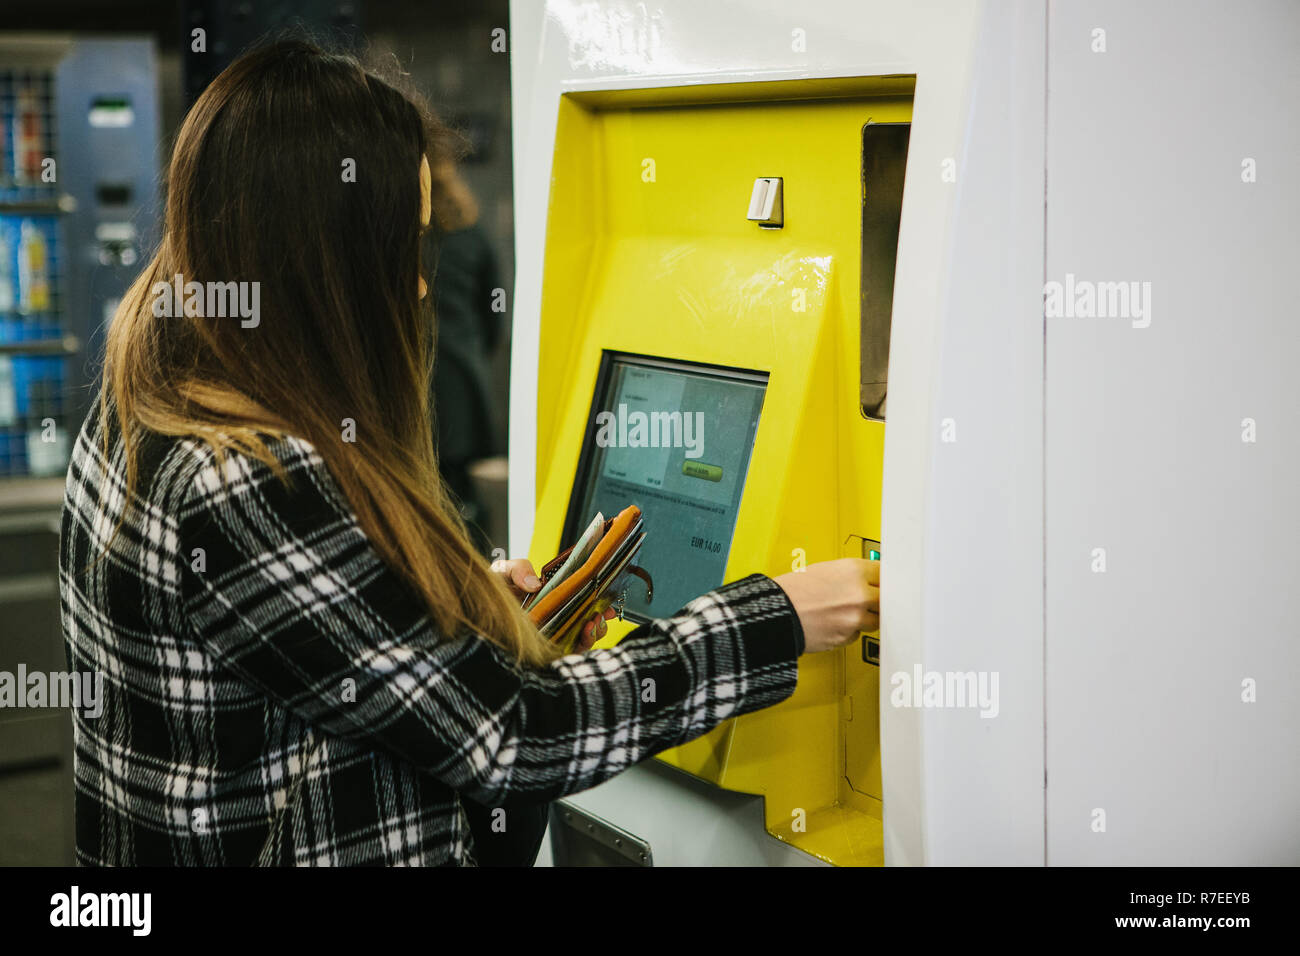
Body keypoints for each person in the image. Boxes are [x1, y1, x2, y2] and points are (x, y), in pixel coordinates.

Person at [59, 39, 880, 867]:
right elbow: (515, 733)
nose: (417, 287)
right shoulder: (248, 477)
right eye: (402, 248)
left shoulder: (147, 400)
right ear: (322, 259)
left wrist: (445, 609)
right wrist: (773, 618)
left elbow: (286, 663)